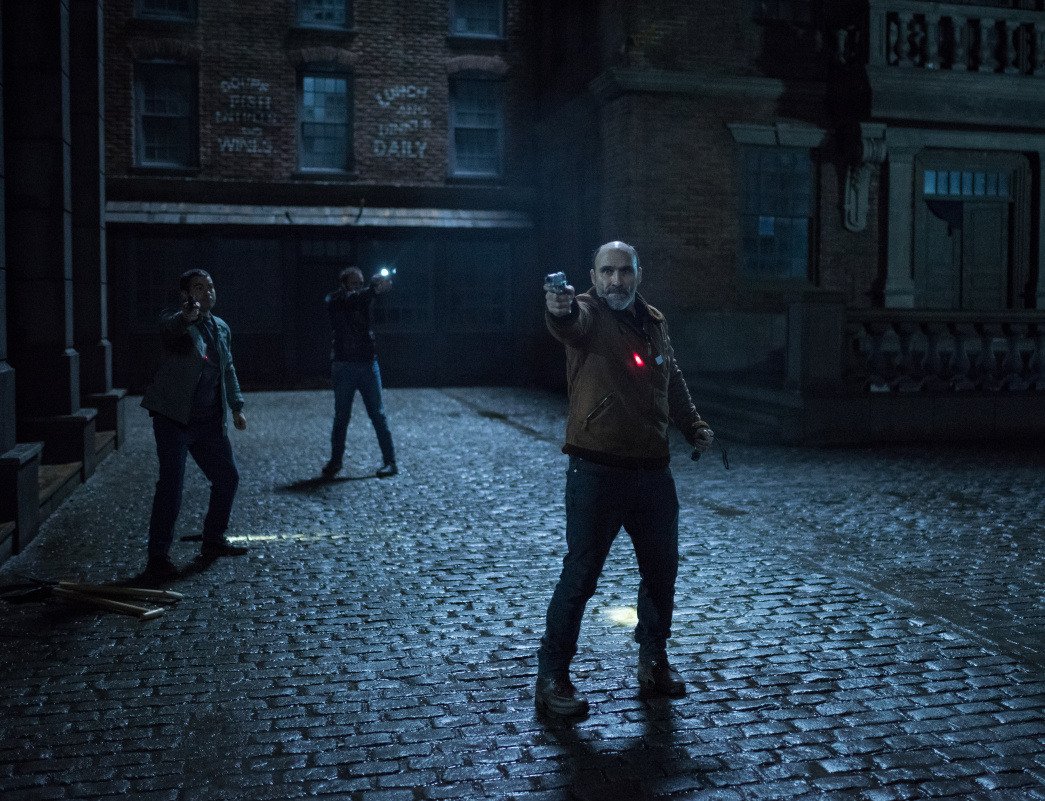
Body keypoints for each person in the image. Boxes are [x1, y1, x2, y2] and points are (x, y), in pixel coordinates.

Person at [535, 241, 715, 719]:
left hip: (652, 469)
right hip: (597, 468)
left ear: (638, 273)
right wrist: (558, 308)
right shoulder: (589, 313)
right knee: (581, 575)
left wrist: (692, 423)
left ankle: (653, 660)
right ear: (594, 277)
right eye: (607, 272)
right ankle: (552, 676)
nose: (616, 281)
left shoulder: (653, 320)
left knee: (661, 571)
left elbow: (670, 376)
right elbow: (568, 322)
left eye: (625, 271)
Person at [140, 269, 248, 580]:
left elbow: (228, 368)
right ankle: (157, 557)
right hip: (174, 418)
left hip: (208, 421)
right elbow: (171, 326)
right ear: (186, 294)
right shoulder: (177, 321)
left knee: (227, 477)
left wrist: (237, 407)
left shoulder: (222, 327)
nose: (207, 291)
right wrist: (186, 317)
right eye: (199, 287)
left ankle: (213, 538)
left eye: (210, 286)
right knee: (171, 486)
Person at [322, 266, 398, 479]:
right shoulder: (334, 299)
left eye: (360, 283)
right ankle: (335, 461)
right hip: (344, 365)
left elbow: (365, 300)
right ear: (344, 284)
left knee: (378, 415)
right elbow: (350, 300)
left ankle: (390, 461)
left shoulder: (365, 298)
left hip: (367, 364)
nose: (357, 287)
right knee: (341, 417)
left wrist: (377, 289)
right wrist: (372, 289)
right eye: (353, 283)